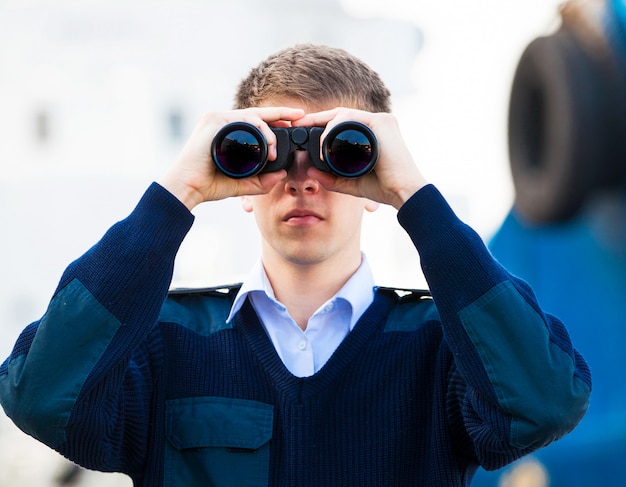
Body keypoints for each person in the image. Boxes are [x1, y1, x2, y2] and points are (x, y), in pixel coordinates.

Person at [0, 44, 591, 486]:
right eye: (268, 153)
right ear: (243, 184)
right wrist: (175, 194)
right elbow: (39, 397)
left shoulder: (439, 351)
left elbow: (542, 404)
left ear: (373, 182)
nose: (304, 179)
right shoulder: (166, 346)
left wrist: (417, 198)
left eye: (346, 154)